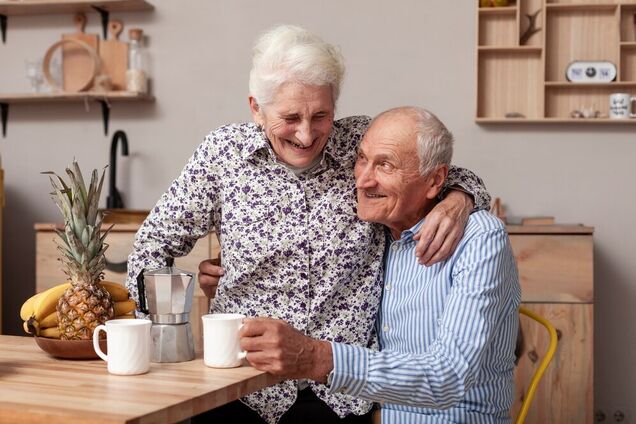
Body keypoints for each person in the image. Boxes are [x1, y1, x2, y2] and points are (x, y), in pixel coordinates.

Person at [127, 25, 491, 424]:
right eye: (289, 117)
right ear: (256, 108)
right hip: (241, 387)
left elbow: (448, 174)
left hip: (341, 394)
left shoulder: (360, 142)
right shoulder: (223, 156)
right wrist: (153, 335)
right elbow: (152, 244)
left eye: (321, 115)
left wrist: (459, 200)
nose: (306, 133)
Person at [239, 107, 521, 423]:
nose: (362, 179)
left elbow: (447, 378)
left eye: (385, 165)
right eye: (362, 159)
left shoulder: (480, 237)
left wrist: (315, 357)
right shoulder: (375, 234)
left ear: (435, 180)